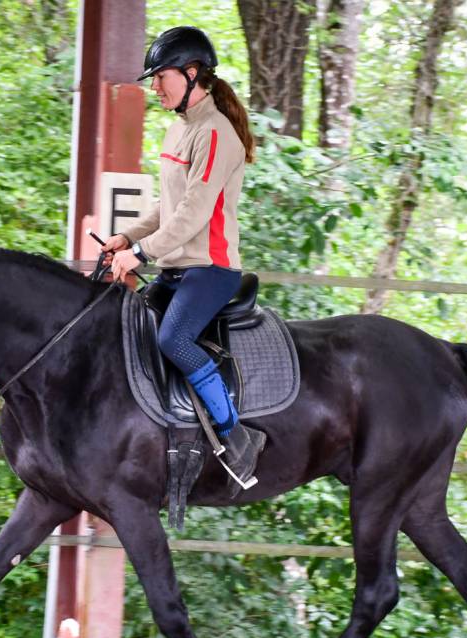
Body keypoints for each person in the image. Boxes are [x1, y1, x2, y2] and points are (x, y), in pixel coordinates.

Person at [100, 25, 266, 489]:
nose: (155, 87)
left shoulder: (217, 134)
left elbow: (193, 216)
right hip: (176, 267)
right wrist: (125, 237)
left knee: (173, 339)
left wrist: (140, 254)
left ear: (192, 75)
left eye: (161, 77)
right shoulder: (180, 129)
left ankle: (236, 437)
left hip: (209, 269)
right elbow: (167, 207)